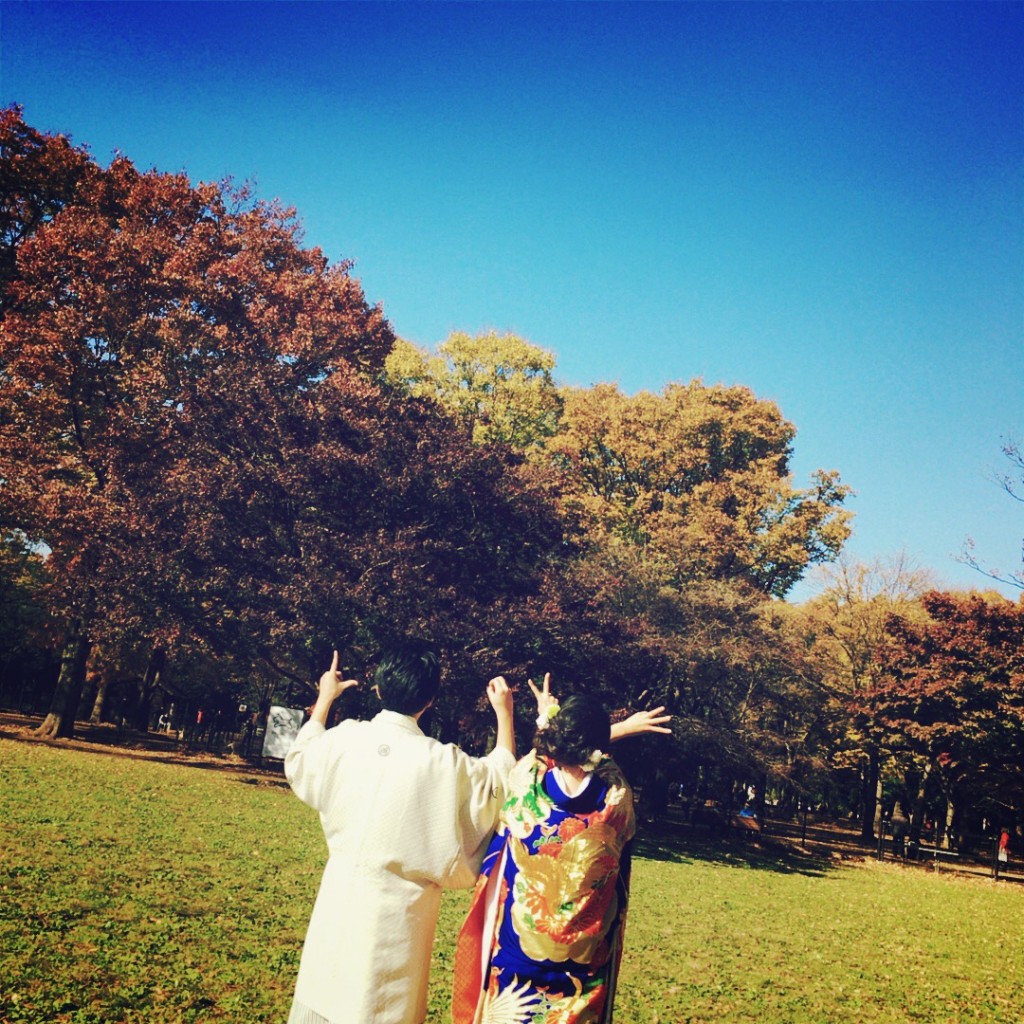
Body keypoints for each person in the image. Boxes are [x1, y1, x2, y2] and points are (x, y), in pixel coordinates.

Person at [284, 644, 517, 1024]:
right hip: (397, 922)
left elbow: (302, 757)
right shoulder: (443, 763)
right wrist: (504, 715)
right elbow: (499, 784)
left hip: (337, 904)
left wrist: (325, 697)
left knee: (323, 996)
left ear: (378, 688)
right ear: (430, 700)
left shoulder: (346, 739)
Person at [451, 682, 663, 1024]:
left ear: (556, 740)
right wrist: (622, 728)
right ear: (598, 747)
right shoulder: (616, 800)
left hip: (518, 953)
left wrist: (541, 717)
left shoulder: (527, 785)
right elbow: (598, 760)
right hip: (582, 964)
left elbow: (541, 754)